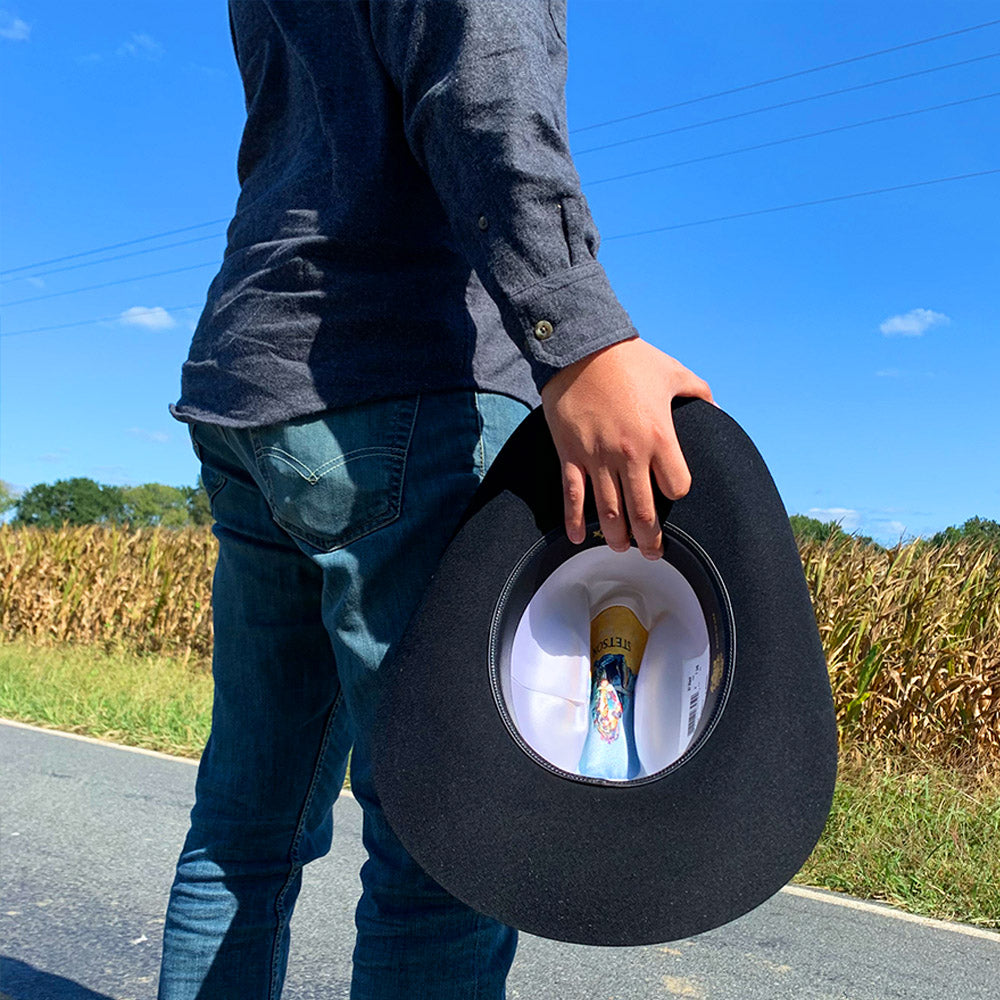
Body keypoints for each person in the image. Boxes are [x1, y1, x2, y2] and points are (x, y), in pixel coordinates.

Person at [159, 2, 715, 998]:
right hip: (399, 379)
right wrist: (579, 338)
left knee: (246, 825)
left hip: (254, 375)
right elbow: (483, 90)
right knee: (449, 844)